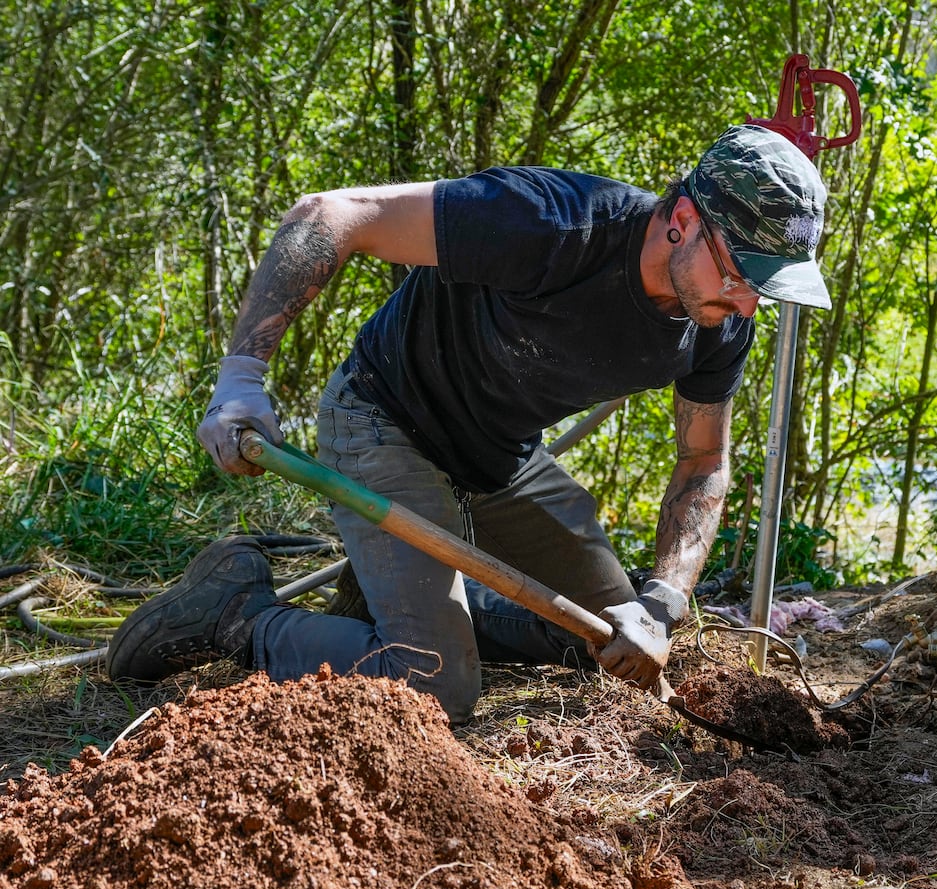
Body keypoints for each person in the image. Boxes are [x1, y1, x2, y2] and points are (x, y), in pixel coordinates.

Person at [108, 124, 830, 723]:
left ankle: (420, 603)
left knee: (612, 642)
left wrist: (662, 602)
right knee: (437, 688)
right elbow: (332, 214)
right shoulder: (550, 221)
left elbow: (704, 460)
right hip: (385, 419)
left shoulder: (718, 323)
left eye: (764, 289)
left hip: (499, 458)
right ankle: (237, 614)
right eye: (740, 275)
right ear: (681, 222)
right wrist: (241, 377)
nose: (746, 307)